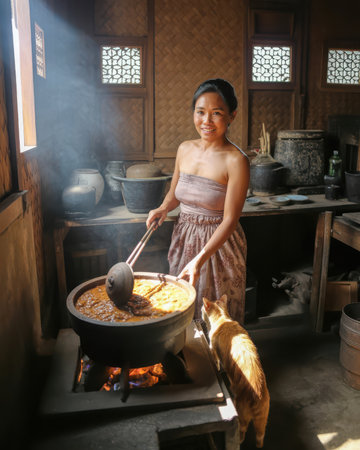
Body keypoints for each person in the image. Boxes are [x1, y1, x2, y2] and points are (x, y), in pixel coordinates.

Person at [146, 78, 249, 323]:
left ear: (232, 116)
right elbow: (174, 195)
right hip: (184, 238)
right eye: (200, 112)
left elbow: (230, 220)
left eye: (216, 113)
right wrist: (162, 208)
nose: (206, 121)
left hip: (219, 245)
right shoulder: (184, 149)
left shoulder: (236, 160)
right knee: (180, 308)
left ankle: (223, 362)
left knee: (217, 317)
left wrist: (199, 260)